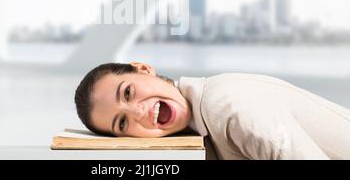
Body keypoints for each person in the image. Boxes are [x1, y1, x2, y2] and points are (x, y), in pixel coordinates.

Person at [74, 62, 350, 160]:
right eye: (122, 123)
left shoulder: (227, 107)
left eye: (128, 92)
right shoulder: (195, 131)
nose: (138, 112)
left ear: (144, 69)